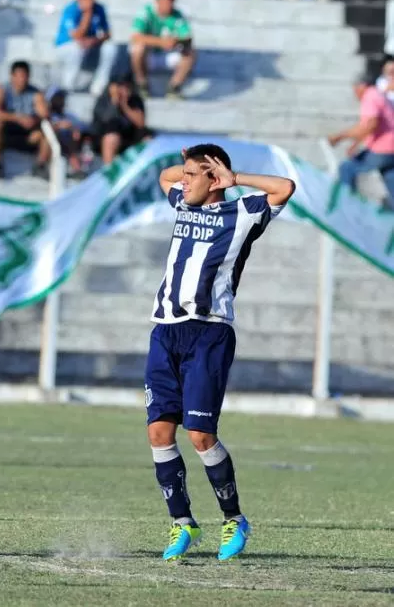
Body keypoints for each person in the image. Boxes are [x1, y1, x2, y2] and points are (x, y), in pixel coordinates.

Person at [147, 144, 294, 562]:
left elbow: (285, 187)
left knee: (199, 435)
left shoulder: (242, 213)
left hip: (208, 333)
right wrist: (195, 162)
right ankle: (183, 523)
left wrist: (234, 177)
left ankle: (233, 518)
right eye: (187, 174)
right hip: (164, 332)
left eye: (193, 175)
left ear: (214, 180)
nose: (183, 180)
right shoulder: (183, 201)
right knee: (159, 431)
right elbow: (164, 176)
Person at [328, 73, 394, 205]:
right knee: (390, 177)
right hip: (391, 149)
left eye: (355, 90)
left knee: (347, 168)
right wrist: (355, 144)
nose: (355, 94)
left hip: (383, 150)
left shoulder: (370, 96)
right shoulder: (380, 95)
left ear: (362, 86)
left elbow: (371, 124)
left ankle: (347, 206)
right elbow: (372, 127)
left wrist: (340, 136)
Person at [129, 0, 195, 100]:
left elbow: (188, 37)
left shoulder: (177, 16)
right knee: (137, 48)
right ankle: (142, 85)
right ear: (157, 0)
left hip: (167, 55)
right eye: (163, 0)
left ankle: (174, 88)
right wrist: (160, 42)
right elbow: (135, 36)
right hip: (148, 56)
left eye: (169, 1)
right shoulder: (146, 12)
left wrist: (175, 41)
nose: (166, 4)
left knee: (190, 52)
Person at [0, 60, 51, 179]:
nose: (22, 80)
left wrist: (34, 119)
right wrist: (17, 118)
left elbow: (44, 114)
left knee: (46, 130)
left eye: (25, 76)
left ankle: (40, 165)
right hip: (7, 132)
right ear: (12, 76)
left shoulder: (35, 93)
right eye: (19, 76)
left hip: (27, 134)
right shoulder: (1, 90)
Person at [54, 0, 116, 97]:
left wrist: (95, 40)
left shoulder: (99, 9)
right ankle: (68, 86)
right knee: (75, 49)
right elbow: (77, 36)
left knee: (110, 48)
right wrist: (87, 13)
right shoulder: (71, 9)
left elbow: (108, 33)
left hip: (90, 46)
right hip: (66, 46)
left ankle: (99, 85)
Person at [91, 74, 148, 165]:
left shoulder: (135, 100)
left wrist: (124, 105)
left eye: (127, 86)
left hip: (129, 137)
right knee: (112, 138)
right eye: (121, 86)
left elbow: (141, 123)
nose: (124, 90)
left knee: (147, 139)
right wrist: (114, 102)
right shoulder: (104, 100)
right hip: (105, 138)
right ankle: (109, 170)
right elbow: (105, 120)